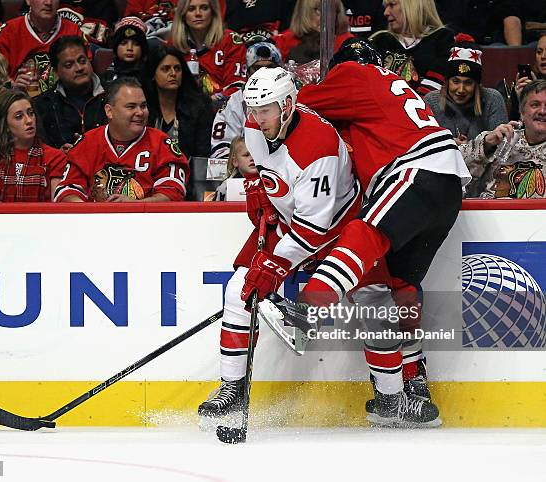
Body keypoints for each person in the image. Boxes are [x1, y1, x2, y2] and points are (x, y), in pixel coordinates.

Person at [257, 38, 471, 426]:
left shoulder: (355, 73)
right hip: (446, 183)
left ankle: (307, 311)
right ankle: (411, 388)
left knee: (364, 233)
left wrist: (300, 84)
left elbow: (300, 103)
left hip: (414, 171)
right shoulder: (386, 92)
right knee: (400, 284)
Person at [197, 67, 362, 421]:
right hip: (292, 219)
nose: (258, 118)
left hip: (335, 226)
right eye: (253, 110)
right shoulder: (258, 125)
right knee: (237, 290)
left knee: (376, 298)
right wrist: (263, 191)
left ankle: (399, 391)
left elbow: (313, 228)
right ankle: (232, 389)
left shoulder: (318, 147)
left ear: (288, 104)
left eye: (266, 109)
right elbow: (273, 172)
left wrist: (275, 265)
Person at [54, 76, 189, 202]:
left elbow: (173, 193)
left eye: (143, 106)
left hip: (147, 224)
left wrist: (134, 206)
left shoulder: (162, 145)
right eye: (131, 107)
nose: (140, 112)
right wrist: (94, 213)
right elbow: (66, 190)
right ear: (109, 111)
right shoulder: (87, 143)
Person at [459, 80, 546, 199]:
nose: (542, 111)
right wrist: (486, 145)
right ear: (522, 112)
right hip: (486, 213)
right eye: (535, 105)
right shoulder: (499, 140)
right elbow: (454, 169)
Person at [0, 89, 66, 202]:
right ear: (5, 125)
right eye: (19, 116)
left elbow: (56, 207)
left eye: (30, 113)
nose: (29, 121)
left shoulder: (55, 157)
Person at [424, 35, 508, 145]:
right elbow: (423, 142)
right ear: (447, 81)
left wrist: (471, 149)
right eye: (455, 81)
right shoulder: (431, 101)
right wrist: (450, 144)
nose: (461, 89)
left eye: (468, 83)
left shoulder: (492, 99)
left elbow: (501, 146)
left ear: (477, 84)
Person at [0, 0, 86, 97]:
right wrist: (12, 87)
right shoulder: (7, 34)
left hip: (65, 103)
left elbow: (85, 75)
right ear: (28, 1)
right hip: (19, 102)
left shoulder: (74, 31)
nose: (48, 3)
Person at [210, 41, 283, 161]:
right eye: (257, 68)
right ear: (248, 73)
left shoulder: (293, 97)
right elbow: (220, 150)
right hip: (246, 173)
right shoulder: (235, 102)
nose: (263, 73)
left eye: (270, 68)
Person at [34, 35, 107, 153]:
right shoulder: (45, 104)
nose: (79, 68)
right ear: (56, 72)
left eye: (82, 61)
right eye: (69, 65)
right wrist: (57, 153)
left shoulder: (112, 95)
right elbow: (40, 148)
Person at [142, 44, 213, 159]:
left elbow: (202, 154)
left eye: (177, 68)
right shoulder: (142, 107)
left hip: (188, 172)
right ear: (153, 75)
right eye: (166, 69)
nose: (173, 73)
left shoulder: (200, 107)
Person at [370, 0, 454, 96]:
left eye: (392, 5)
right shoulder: (379, 40)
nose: (386, 12)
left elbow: (440, 81)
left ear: (413, 6)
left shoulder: (443, 39)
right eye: (385, 7)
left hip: (425, 107)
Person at [170, 0, 246, 100]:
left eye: (204, 8)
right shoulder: (173, 45)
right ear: (183, 15)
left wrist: (212, 100)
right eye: (191, 9)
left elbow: (237, 87)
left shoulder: (230, 40)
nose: (198, 14)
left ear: (213, 12)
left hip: (224, 108)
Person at [274, 0, 352, 63]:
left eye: (333, 10)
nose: (328, 17)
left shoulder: (348, 43)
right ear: (304, 12)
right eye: (319, 11)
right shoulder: (283, 41)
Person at [101, 16, 149, 88]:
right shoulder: (108, 76)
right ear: (116, 47)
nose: (129, 48)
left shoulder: (149, 77)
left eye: (136, 44)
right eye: (123, 43)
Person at [509, 33, 546, 121]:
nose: (543, 56)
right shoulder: (526, 84)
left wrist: (538, 93)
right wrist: (521, 100)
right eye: (539, 52)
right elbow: (514, 125)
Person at [213, 135, 257, 201]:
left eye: (255, 154)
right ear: (235, 161)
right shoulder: (225, 188)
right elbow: (216, 209)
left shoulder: (270, 184)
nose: (252, 158)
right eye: (246, 155)